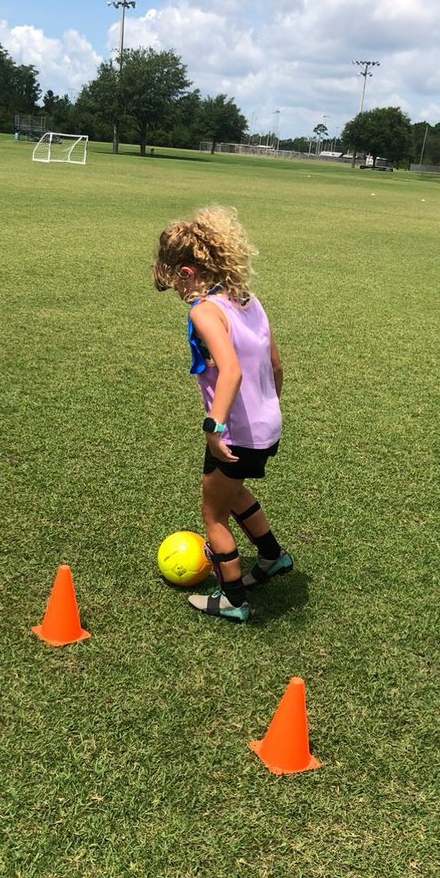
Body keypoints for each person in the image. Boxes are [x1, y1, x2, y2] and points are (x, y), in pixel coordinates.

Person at [152, 205, 292, 623]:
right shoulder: (247, 299)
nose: (178, 291)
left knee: (213, 515)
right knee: (233, 495)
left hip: (235, 433)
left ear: (189, 271)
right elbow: (276, 364)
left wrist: (214, 428)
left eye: (174, 279)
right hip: (266, 427)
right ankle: (273, 558)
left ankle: (232, 598)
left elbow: (229, 370)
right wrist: (268, 408)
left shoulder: (205, 310)